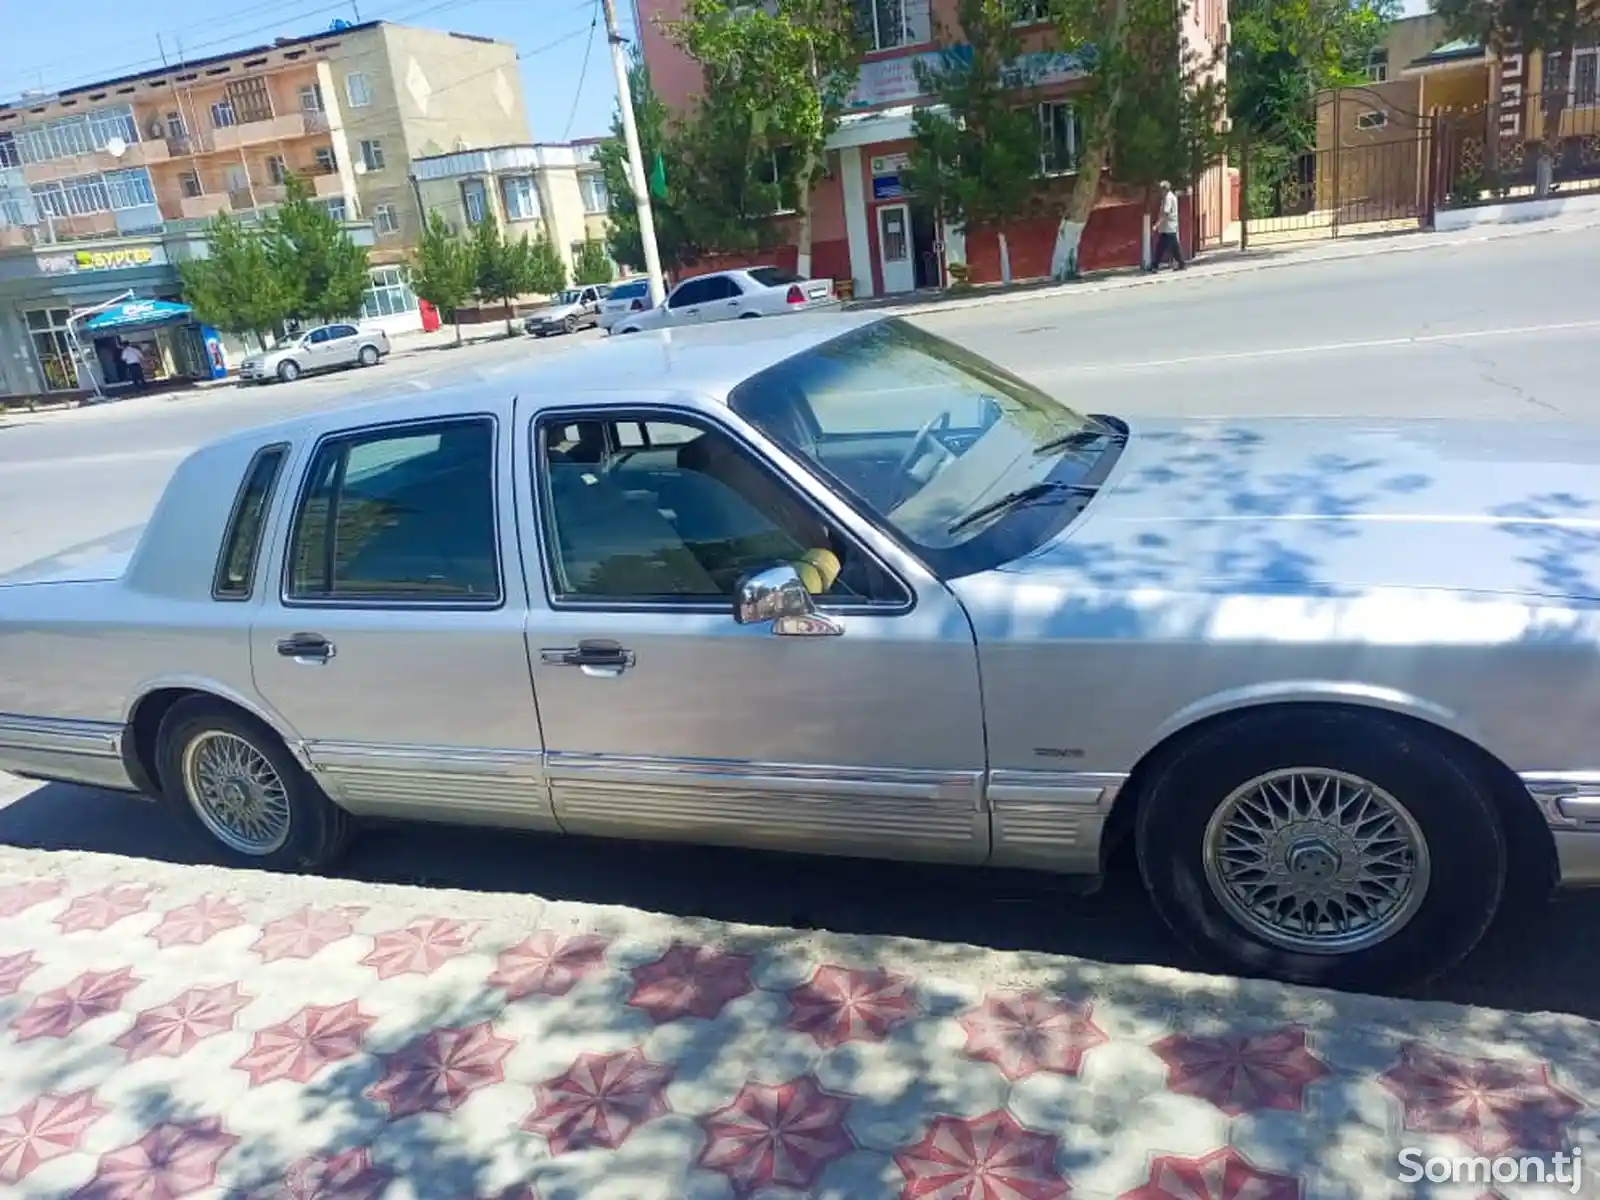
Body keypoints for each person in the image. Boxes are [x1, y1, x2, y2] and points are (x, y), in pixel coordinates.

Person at [1151, 180, 1185, 272]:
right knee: (1173, 247)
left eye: (1161, 189)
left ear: (1165, 189)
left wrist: (1156, 225)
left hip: (1168, 226)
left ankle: (1155, 265)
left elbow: (1165, 213)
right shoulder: (1168, 197)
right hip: (1168, 226)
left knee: (1162, 247)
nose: (1159, 191)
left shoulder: (1168, 198)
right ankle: (1181, 263)